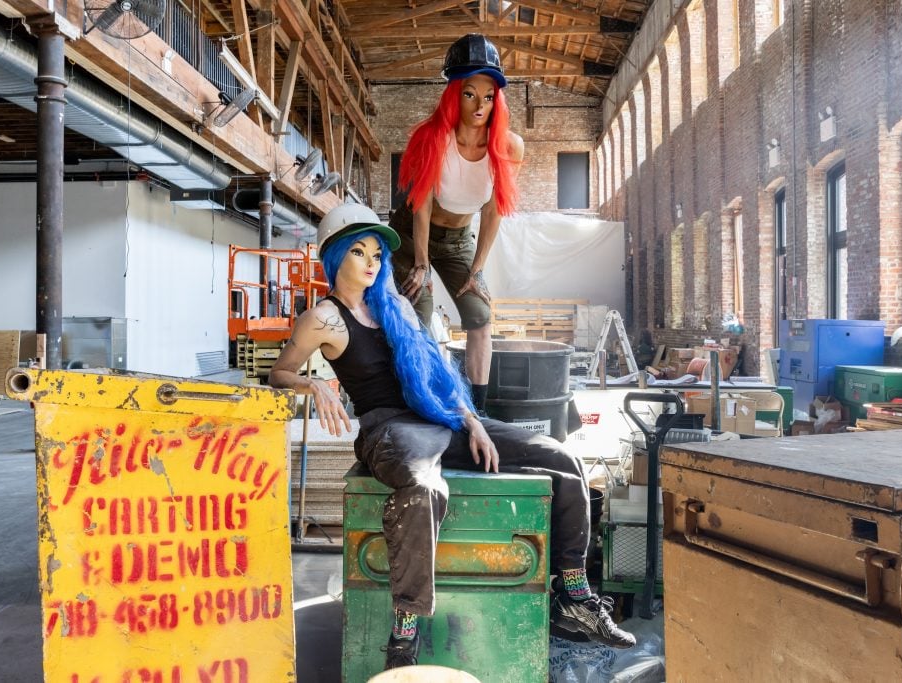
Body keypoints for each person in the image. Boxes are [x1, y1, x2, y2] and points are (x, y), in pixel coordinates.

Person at [269, 204, 636, 672]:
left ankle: (575, 597)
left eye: (377, 253)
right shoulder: (323, 318)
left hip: (438, 417)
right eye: (359, 251)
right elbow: (279, 372)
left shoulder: (396, 305)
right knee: (424, 487)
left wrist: (472, 420)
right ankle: (406, 628)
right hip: (388, 428)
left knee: (562, 459)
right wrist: (313, 382)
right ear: (336, 255)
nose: (372, 262)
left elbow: (437, 373)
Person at [390, 33, 524, 415]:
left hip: (459, 239)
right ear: (453, 94)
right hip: (412, 233)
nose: (479, 104)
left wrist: (478, 270)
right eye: (469, 93)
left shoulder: (509, 146)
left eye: (488, 95)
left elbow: (494, 210)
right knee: (421, 311)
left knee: (480, 316)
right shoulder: (432, 138)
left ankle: (477, 412)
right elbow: (421, 207)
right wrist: (420, 263)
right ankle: (419, 404)